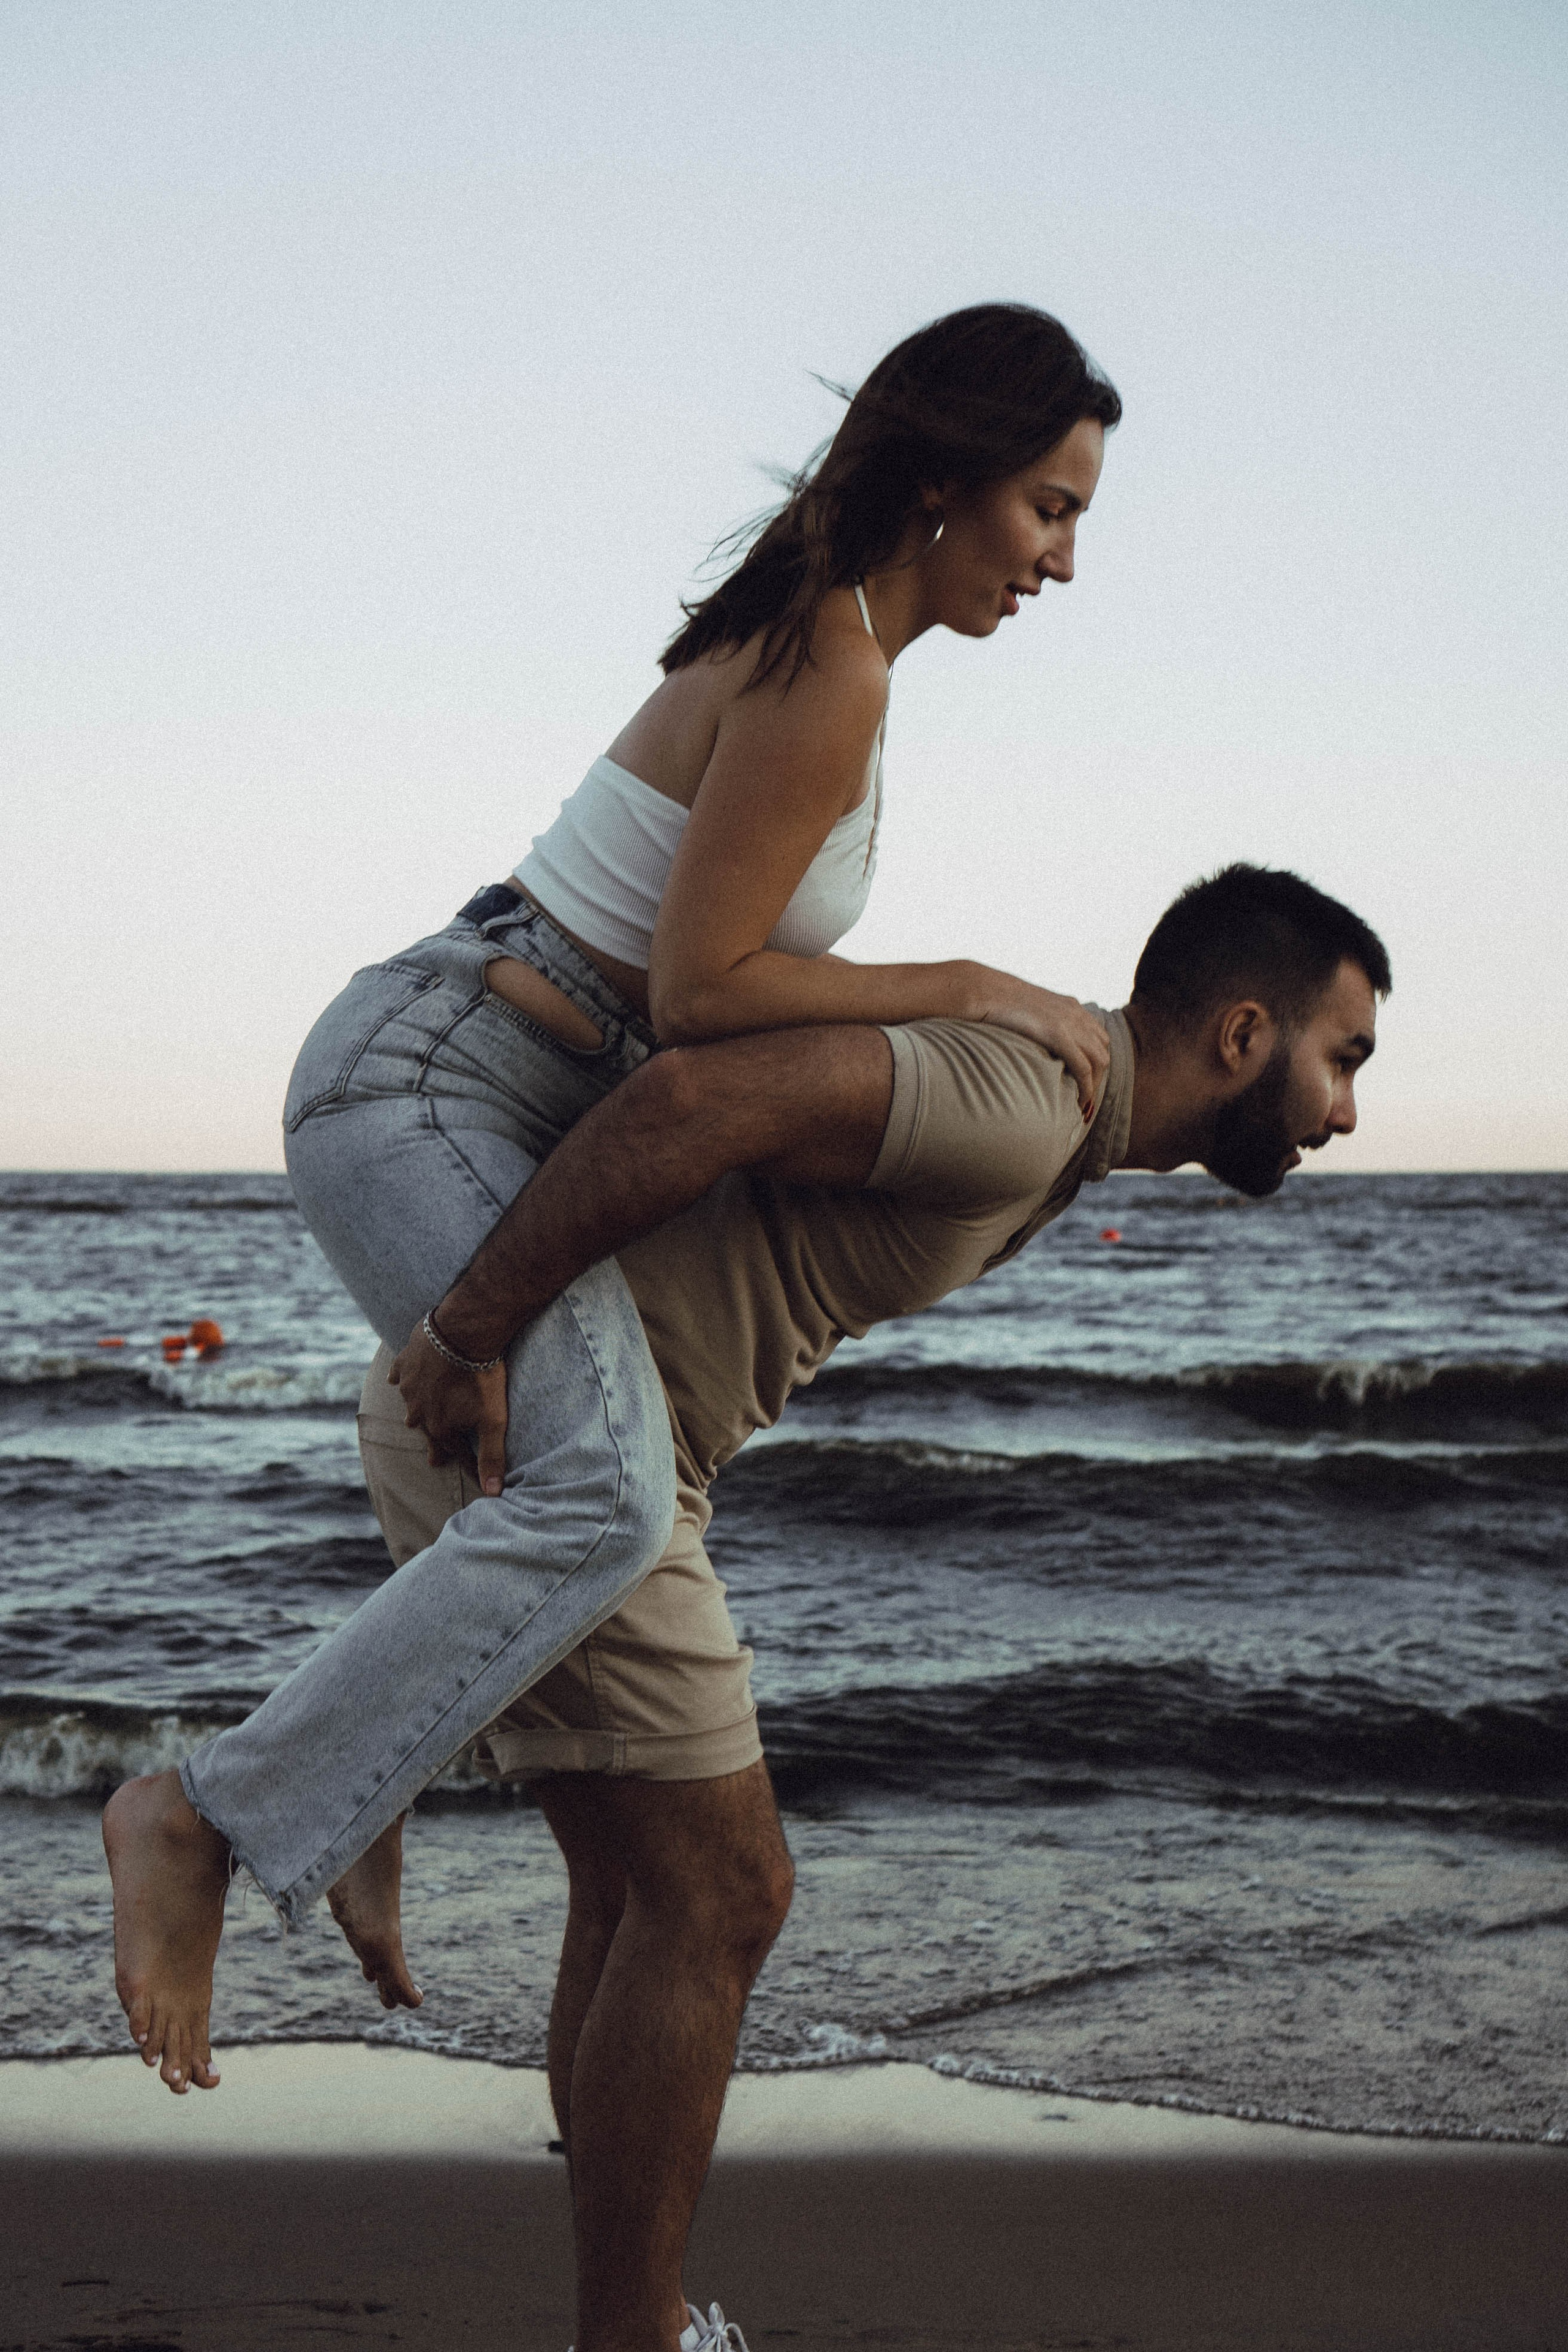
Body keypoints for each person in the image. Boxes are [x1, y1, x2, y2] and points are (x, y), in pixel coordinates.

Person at [161, 865, 1389, 2352]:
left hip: (550, 1442)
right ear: (1244, 1034)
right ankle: (637, 2331)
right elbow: (690, 1103)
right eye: (1342, 1059)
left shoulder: (1051, 1124)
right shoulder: (1024, 1100)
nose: (1343, 1113)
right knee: (724, 1891)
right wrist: (471, 1325)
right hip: (554, 1450)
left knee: (636, 1892)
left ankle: (627, 2323)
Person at [104, 302, 1122, 2093]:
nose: (1061, 558)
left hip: (489, 1096)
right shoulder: (833, 659)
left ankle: (347, 1796)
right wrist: (974, 985)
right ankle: (200, 1816)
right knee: (611, 1489)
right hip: (424, 1082)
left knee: (549, 1473)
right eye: (1050, 508)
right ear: (951, 480)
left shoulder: (826, 638)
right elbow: (705, 996)